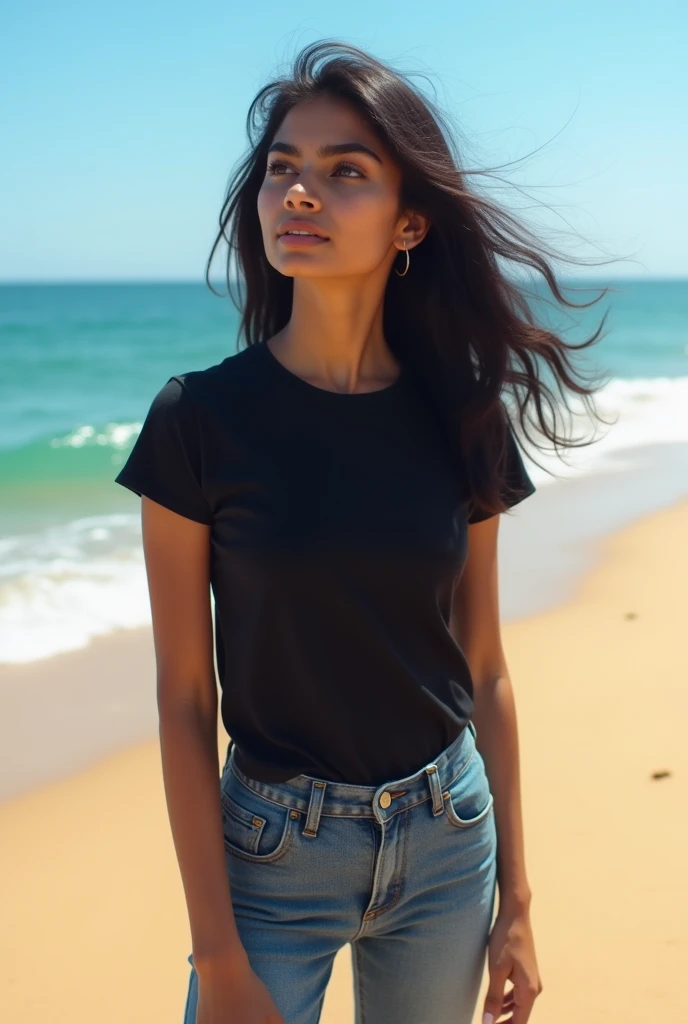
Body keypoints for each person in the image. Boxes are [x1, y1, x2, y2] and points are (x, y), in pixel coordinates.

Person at [115, 40, 612, 1024]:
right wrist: (214, 952)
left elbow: (484, 665)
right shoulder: (198, 422)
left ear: (409, 222)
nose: (299, 193)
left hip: (445, 837)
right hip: (270, 850)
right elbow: (182, 696)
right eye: (281, 170)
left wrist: (518, 900)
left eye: (344, 171)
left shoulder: (461, 417)